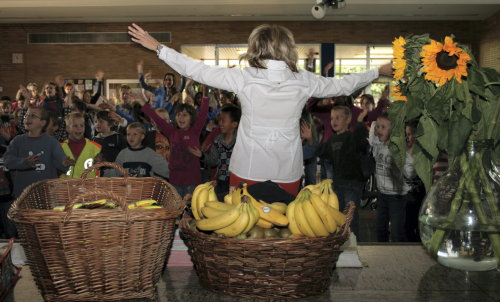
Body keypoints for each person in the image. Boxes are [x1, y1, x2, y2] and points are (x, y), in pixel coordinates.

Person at [128, 23, 392, 196]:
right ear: (288, 48)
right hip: (287, 171)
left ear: (256, 48)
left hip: (246, 170)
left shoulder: (243, 77)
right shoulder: (303, 79)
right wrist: (376, 71)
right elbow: (343, 85)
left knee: (244, 238)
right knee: (280, 236)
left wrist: (159, 47)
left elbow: (196, 69)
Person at [130, 88, 209, 197]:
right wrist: (141, 101)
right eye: (178, 114)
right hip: (174, 182)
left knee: (190, 211)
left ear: (192, 118)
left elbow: (204, 112)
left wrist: (205, 89)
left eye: (185, 115)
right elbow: (155, 117)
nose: (181, 117)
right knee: (175, 211)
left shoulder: (195, 131)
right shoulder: (172, 132)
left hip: (192, 182)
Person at [316, 106, 369, 238]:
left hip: (352, 184)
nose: (334, 121)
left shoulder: (352, 137)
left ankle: (354, 242)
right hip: (338, 184)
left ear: (348, 119)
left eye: (338, 117)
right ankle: (341, 242)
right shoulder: (332, 140)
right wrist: (311, 139)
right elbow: (321, 152)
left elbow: (361, 143)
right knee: (339, 216)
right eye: (332, 118)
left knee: (351, 218)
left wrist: (360, 123)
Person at [4, 106, 70, 198]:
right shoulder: (17, 141)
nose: (27, 117)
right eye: (26, 115)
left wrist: (65, 163)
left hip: (46, 194)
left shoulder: (52, 142)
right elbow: (7, 161)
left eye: (33, 116)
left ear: (42, 123)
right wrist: (25, 162)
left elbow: (63, 166)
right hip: (23, 194)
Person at [369, 115, 416, 242]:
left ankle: (399, 256)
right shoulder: (378, 145)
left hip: (397, 197)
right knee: (380, 229)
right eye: (378, 127)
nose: (378, 130)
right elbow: (372, 132)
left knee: (396, 232)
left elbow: (410, 173)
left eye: (383, 127)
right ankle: (383, 254)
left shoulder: (399, 149)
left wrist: (409, 155)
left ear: (394, 130)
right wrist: (376, 125)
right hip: (382, 195)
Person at [193, 103, 241, 200]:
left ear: (234, 124)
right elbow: (213, 161)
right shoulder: (217, 140)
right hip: (221, 182)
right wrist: (202, 156)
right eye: (220, 120)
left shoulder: (240, 141)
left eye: (223, 120)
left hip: (237, 182)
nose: (220, 123)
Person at [59, 112, 102, 178]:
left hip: (88, 187)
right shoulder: (59, 148)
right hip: (66, 187)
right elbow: (53, 172)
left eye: (82, 125)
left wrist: (98, 163)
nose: (79, 128)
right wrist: (62, 167)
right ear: (67, 128)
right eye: (75, 126)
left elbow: (100, 170)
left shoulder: (95, 147)